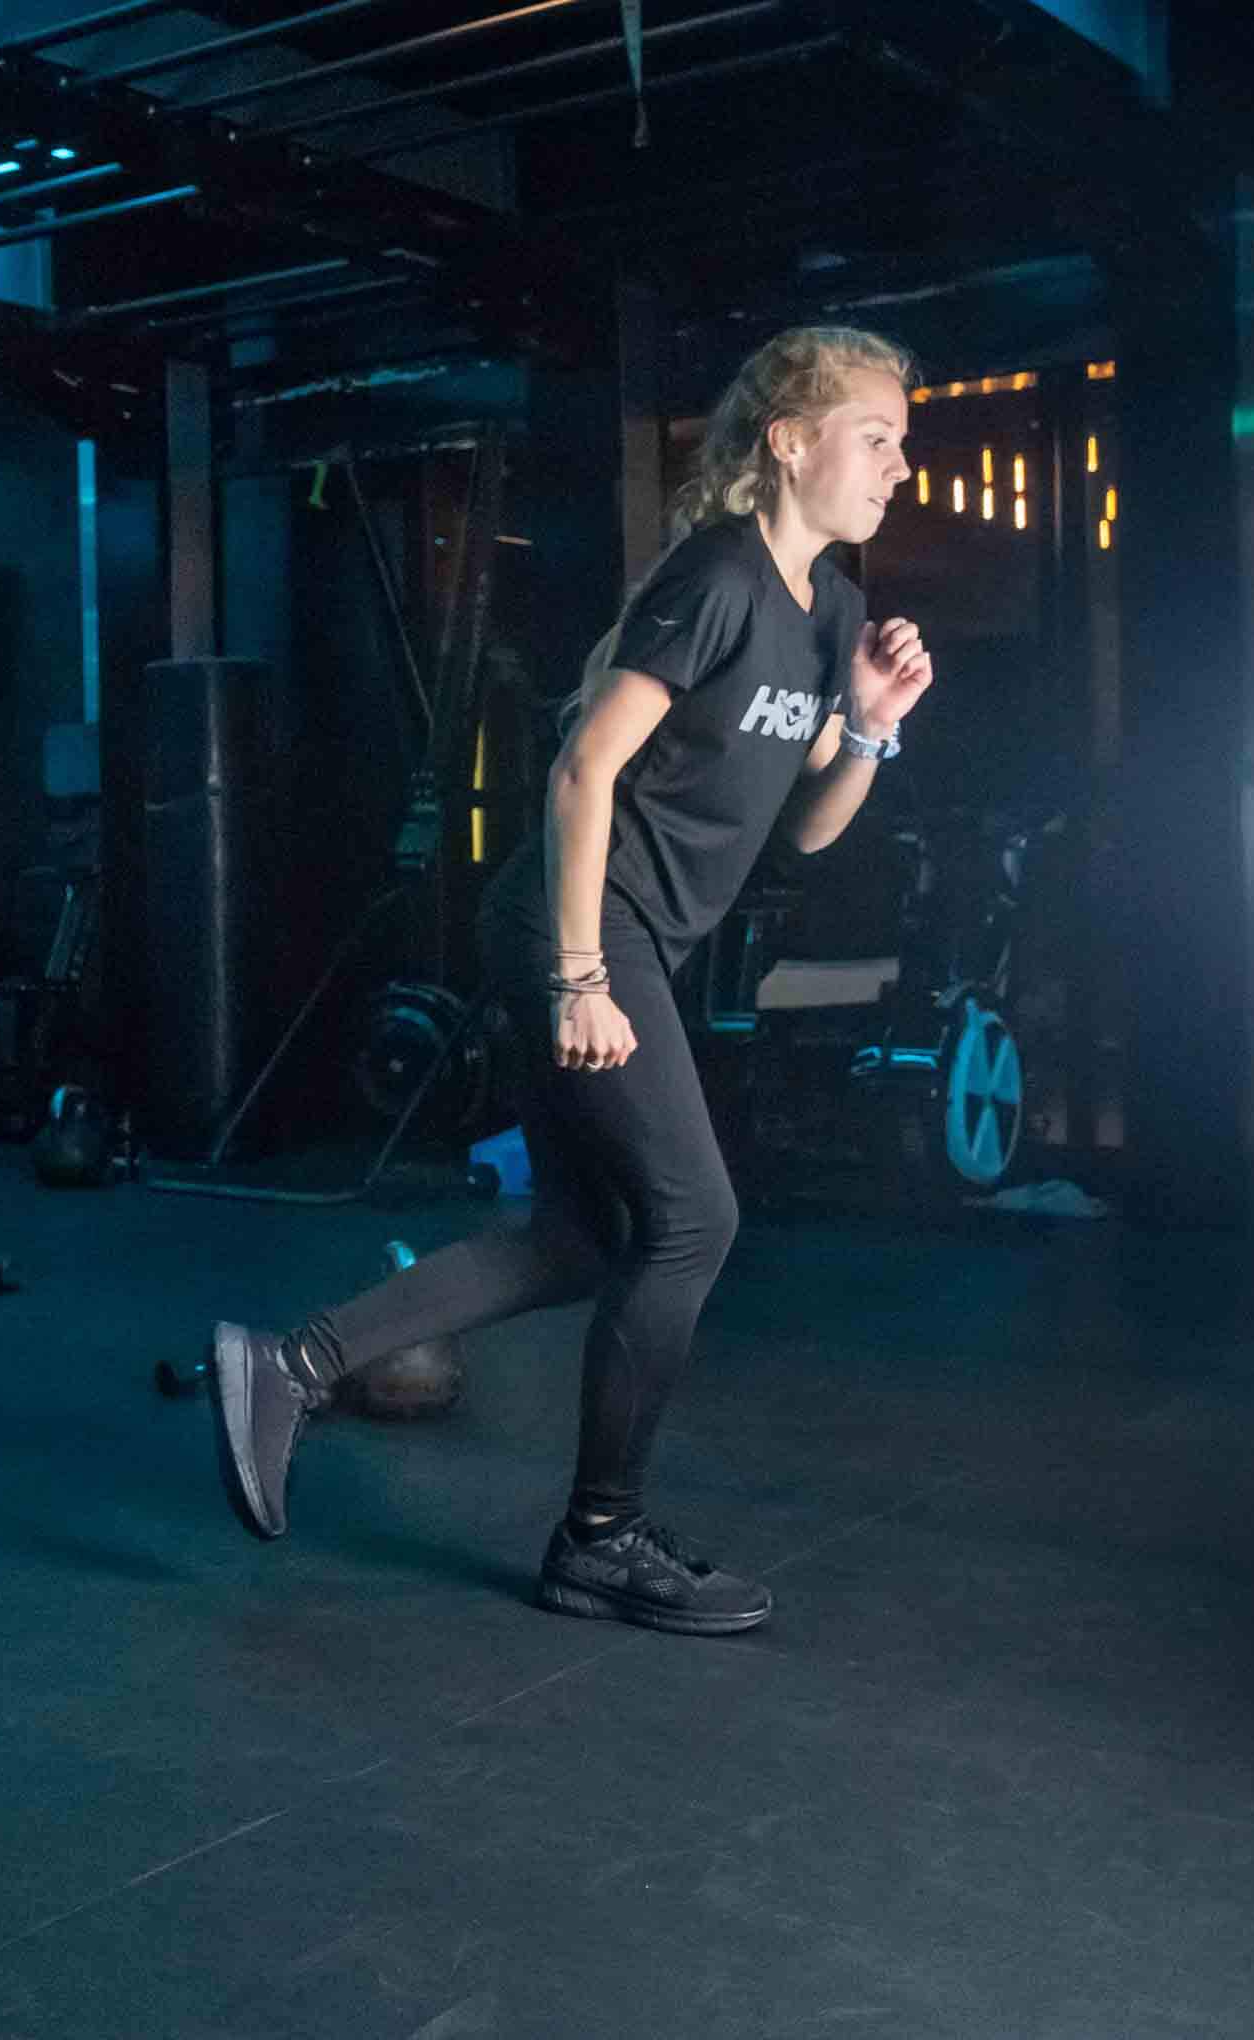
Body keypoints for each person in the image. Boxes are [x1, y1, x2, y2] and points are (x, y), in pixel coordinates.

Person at [206, 326, 936, 1636]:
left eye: (901, 442)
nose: (900, 466)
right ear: (790, 439)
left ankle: (291, 1366)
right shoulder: (712, 582)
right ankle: (601, 1539)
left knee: (583, 1236)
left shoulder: (825, 612)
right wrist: (580, 974)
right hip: (578, 929)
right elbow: (579, 773)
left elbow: (808, 828)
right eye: (876, 437)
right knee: (693, 1221)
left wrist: (873, 729)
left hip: (627, 941)